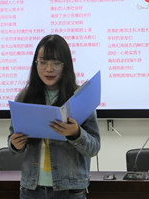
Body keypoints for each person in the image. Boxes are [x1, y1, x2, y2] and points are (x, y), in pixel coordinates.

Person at [8, 34, 100, 199]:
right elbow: (12, 144)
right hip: (31, 189)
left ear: (66, 65)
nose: (48, 69)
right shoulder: (24, 97)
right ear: (36, 63)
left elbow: (94, 148)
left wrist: (76, 134)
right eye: (43, 62)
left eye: (56, 63)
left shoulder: (79, 97)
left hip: (70, 190)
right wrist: (14, 144)